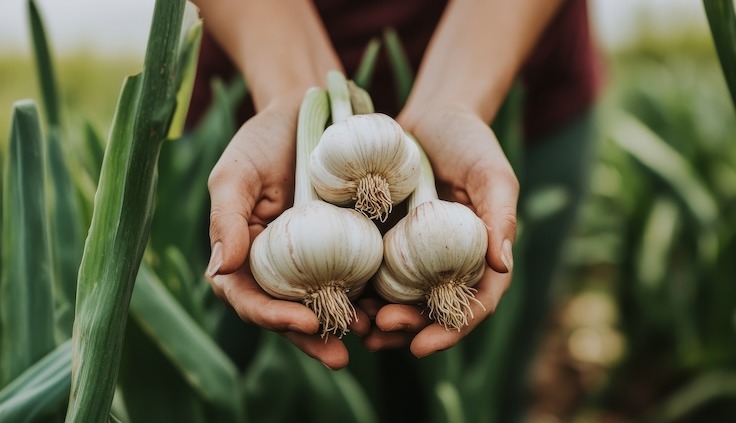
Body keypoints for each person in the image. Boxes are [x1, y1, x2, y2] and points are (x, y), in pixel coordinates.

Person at [188, 0, 602, 419]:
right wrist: (287, 91)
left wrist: (457, 100)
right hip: (251, 76)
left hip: (519, 67)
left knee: (499, 381)